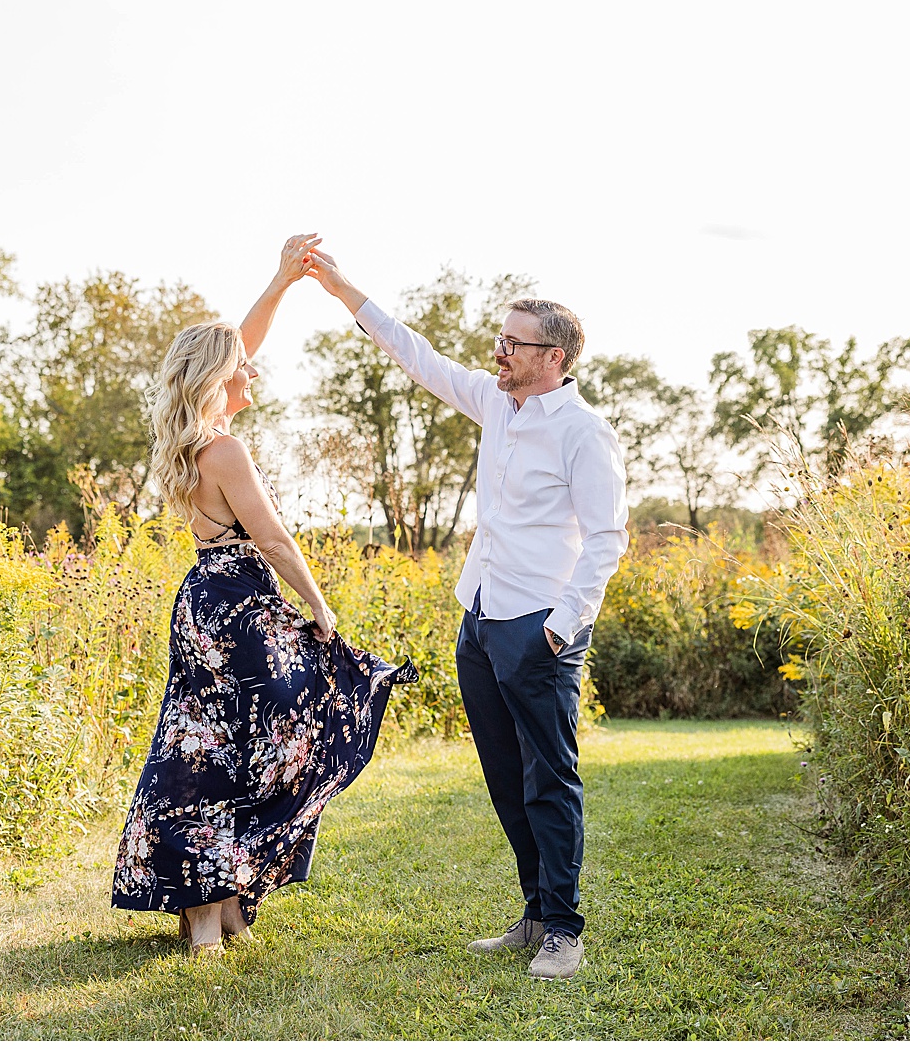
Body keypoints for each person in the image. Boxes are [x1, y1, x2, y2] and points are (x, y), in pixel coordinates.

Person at [307, 248, 628, 980]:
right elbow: (417, 356)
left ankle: (565, 930)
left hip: (540, 626)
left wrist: (560, 626)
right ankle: (535, 913)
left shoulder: (583, 431)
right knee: (505, 778)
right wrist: (340, 288)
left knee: (549, 778)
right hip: (480, 619)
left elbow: (607, 540)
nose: (498, 351)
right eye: (500, 339)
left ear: (556, 356)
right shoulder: (494, 401)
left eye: (513, 343)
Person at [111, 234, 417, 956]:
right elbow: (275, 540)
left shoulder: (185, 440)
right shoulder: (226, 450)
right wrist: (320, 605)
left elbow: (229, 346)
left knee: (206, 743)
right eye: (243, 369)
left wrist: (281, 283)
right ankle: (218, 906)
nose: (255, 369)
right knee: (287, 727)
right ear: (221, 380)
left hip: (201, 602)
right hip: (243, 604)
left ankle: (214, 910)